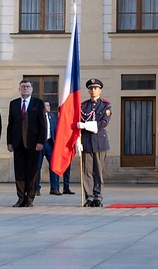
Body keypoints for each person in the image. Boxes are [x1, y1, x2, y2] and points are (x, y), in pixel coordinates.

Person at [7, 79, 45, 207]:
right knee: (19, 171)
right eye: (23, 86)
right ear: (19, 89)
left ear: (32, 89)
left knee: (32, 171)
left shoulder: (38, 103)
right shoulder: (14, 104)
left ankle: (30, 197)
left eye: (27, 86)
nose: (25, 89)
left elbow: (42, 124)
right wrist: (9, 142)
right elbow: (10, 124)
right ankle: (20, 197)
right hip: (18, 142)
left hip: (33, 143)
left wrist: (41, 141)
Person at [77, 78, 111, 207]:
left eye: (95, 88)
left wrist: (85, 126)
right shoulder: (83, 105)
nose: (93, 91)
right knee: (87, 172)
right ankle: (89, 197)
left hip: (99, 141)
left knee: (98, 171)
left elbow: (104, 123)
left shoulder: (106, 105)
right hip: (86, 141)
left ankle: (98, 196)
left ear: (100, 90)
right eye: (91, 88)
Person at [37, 101, 72, 196]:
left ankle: (54, 188)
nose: (48, 107)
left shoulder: (52, 117)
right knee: (37, 167)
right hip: (40, 143)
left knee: (54, 166)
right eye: (45, 105)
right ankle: (36, 189)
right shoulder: (38, 116)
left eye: (48, 105)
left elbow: (57, 130)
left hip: (50, 143)